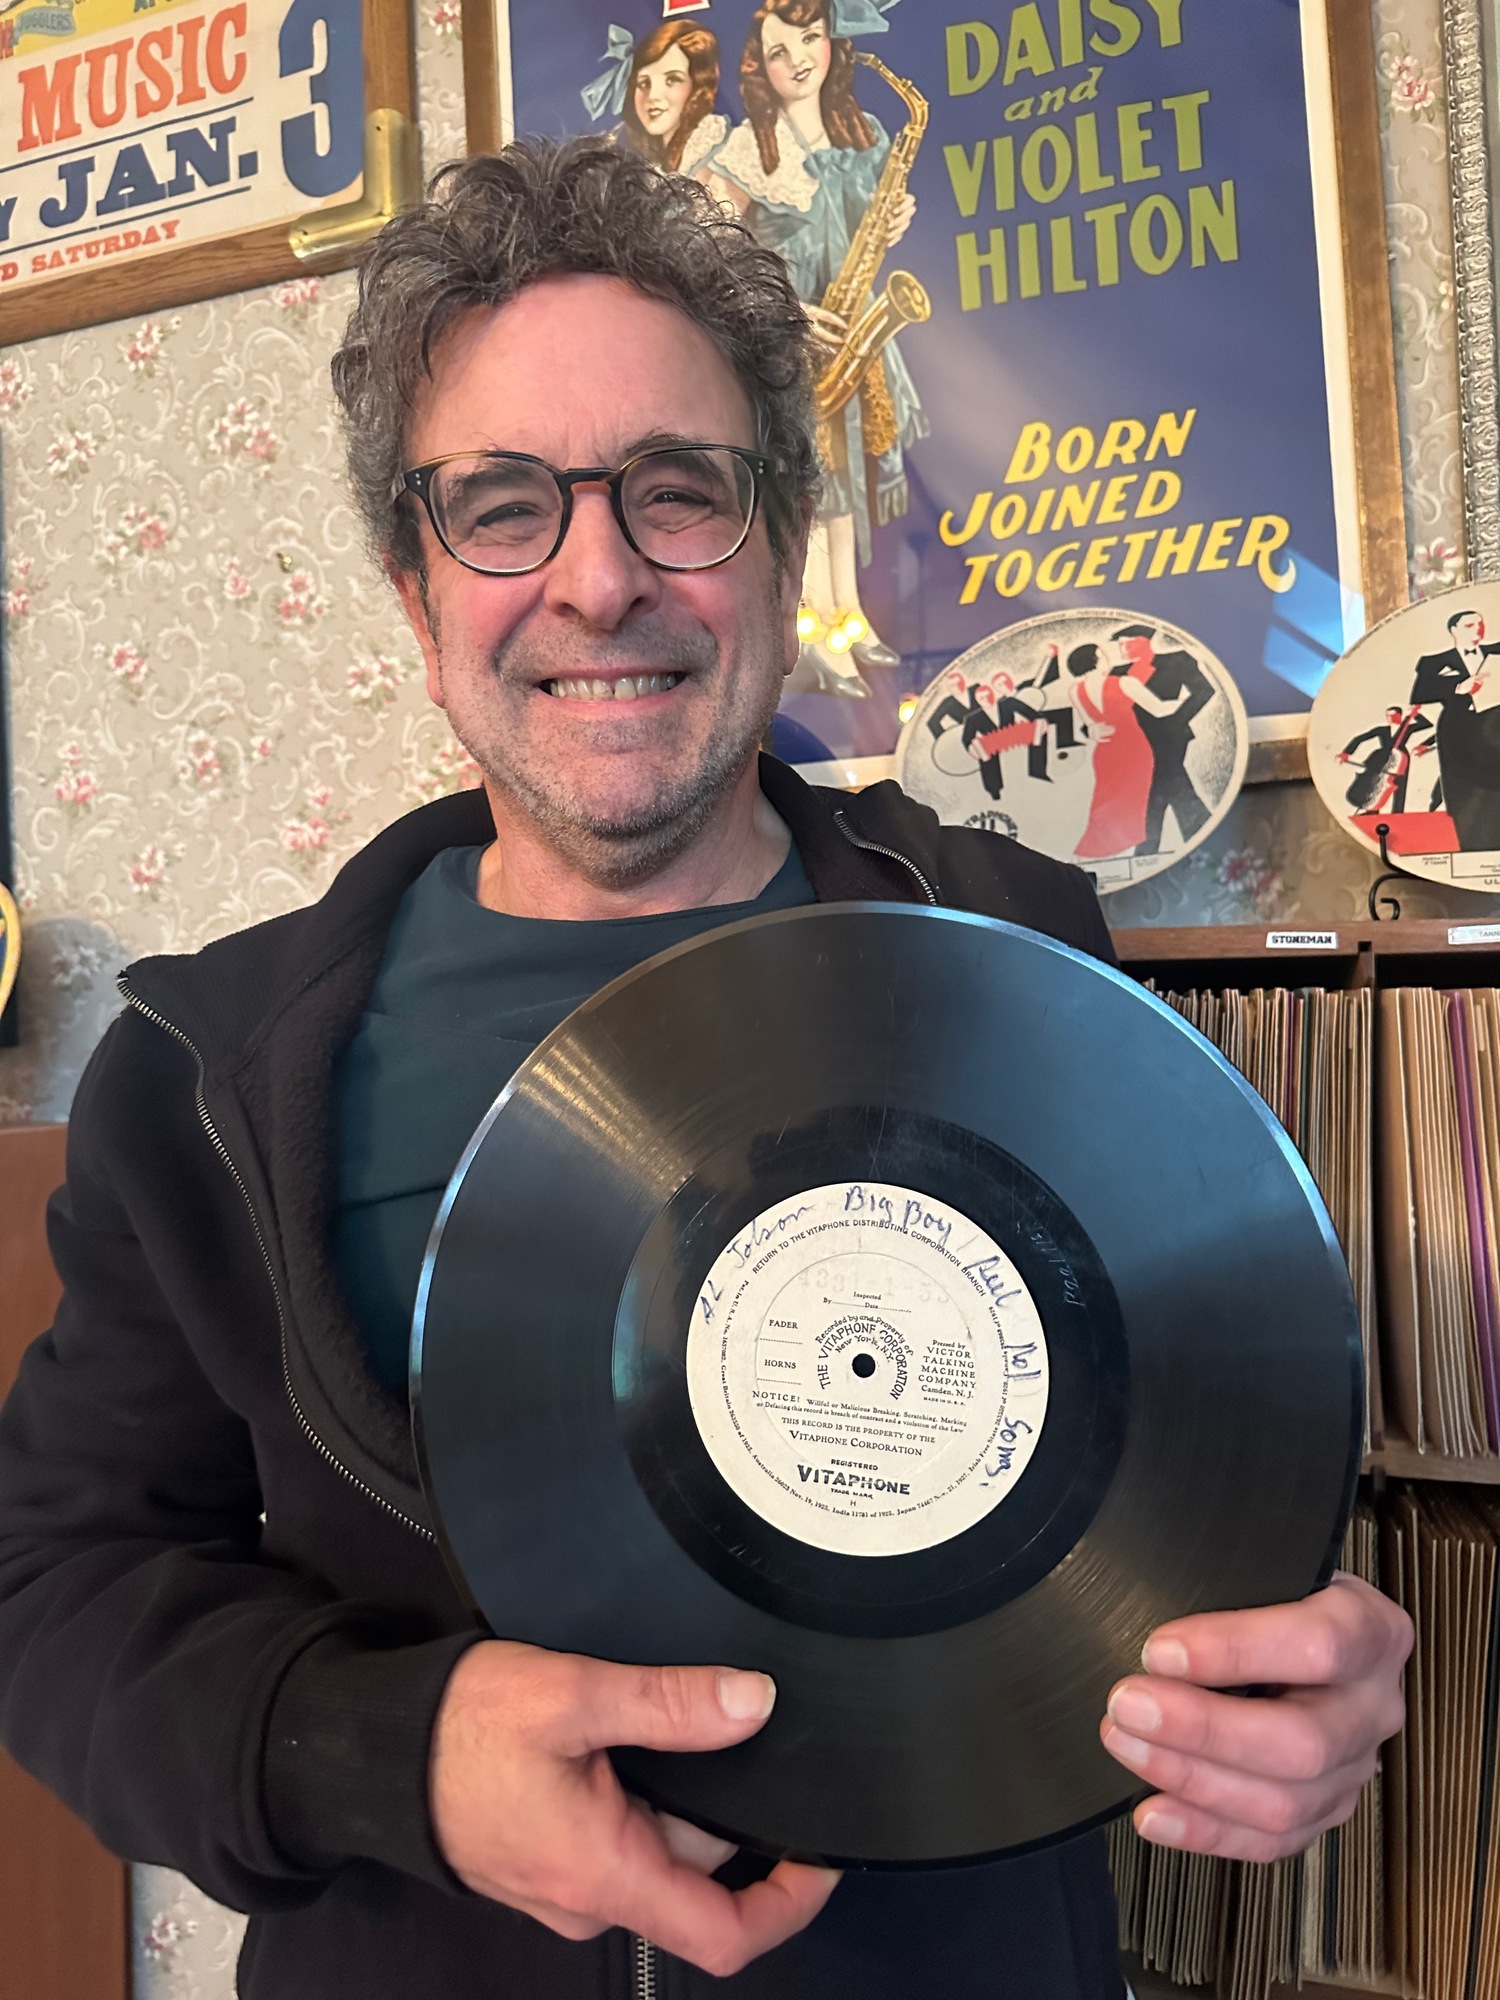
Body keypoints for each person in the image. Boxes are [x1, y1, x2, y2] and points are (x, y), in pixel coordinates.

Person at [0, 140, 1410, 2000]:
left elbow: (1195, 1464)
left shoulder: (1020, 955)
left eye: (680, 492)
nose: (600, 580)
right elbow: (54, 1592)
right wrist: (388, 1752)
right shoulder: (201, 1076)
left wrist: (1306, 1679)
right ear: (420, 600)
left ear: (776, 542)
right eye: (502, 506)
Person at [704, 0, 926, 692]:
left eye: (811, 37)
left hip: (853, 331)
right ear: (758, 68)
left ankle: (851, 617)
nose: (799, 57)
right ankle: (816, 633)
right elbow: (711, 255)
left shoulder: (860, 133)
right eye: (778, 50)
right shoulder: (746, 150)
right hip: (789, 342)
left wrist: (889, 227)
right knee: (808, 489)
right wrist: (787, 308)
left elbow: (862, 230)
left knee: (844, 490)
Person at [1070, 642, 1186, 863]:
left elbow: (1091, 726)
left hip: (1105, 751)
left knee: (1104, 800)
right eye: (1102, 654)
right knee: (1135, 800)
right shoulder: (1124, 683)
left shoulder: (1075, 691)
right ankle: (1123, 850)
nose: (1108, 658)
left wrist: (1094, 730)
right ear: (1097, 659)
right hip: (1133, 748)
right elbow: (1160, 709)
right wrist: (1183, 701)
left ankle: (1097, 850)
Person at [1111, 624, 1214, 857]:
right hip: (1135, 740)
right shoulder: (1117, 672)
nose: (1122, 647)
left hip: (1169, 737)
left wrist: (1177, 720)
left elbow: (1204, 691)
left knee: (1159, 780)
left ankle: (1149, 847)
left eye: (1128, 642)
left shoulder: (1176, 660)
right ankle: (1195, 830)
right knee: (1164, 783)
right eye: (1119, 643)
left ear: (1144, 640)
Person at [583, 19, 730, 179]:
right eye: (644, 83)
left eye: (672, 80)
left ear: (697, 85)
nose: (652, 96)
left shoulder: (722, 154)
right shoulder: (627, 155)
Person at [1409, 608, 1500, 851]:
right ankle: (1470, 847)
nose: (1478, 630)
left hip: (1495, 731)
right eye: (1470, 626)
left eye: (1480, 625)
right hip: (1459, 734)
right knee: (1463, 793)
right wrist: (1457, 687)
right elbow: (1420, 693)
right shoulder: (1434, 662)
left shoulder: (1497, 651)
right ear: (1454, 631)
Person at [1338, 706, 1435, 817]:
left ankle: (1397, 813)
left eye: (1392, 715)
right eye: (1388, 716)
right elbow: (1361, 738)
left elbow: (1427, 724)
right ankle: (1372, 808)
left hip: (1400, 758)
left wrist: (1415, 713)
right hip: (1381, 756)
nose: (1389, 718)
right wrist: (1346, 753)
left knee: (1399, 785)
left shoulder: (1408, 727)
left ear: (1399, 715)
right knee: (1373, 781)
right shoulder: (1381, 730)